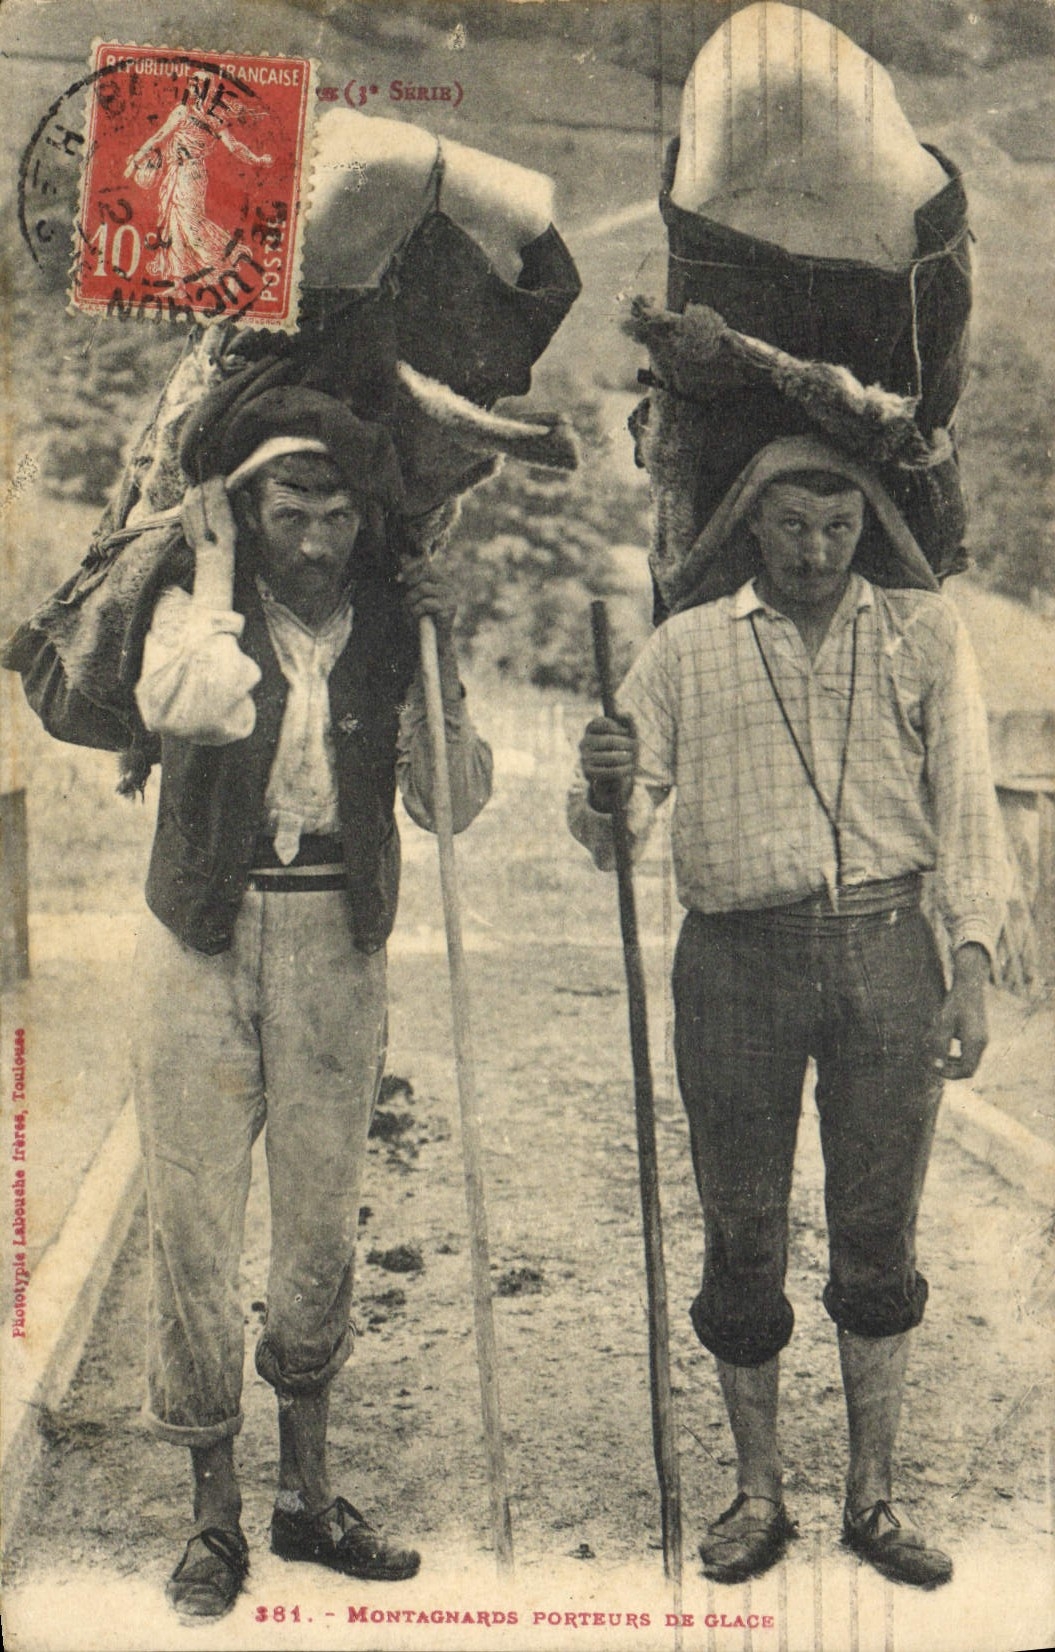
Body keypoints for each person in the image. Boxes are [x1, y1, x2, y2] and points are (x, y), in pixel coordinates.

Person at [569, 436, 1006, 1589]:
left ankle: (871, 1495)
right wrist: (600, 780)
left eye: (839, 527)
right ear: (747, 525)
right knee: (741, 1225)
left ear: (867, 525)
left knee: (875, 1229)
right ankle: (756, 1492)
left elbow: (965, 807)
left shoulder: (921, 635)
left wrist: (967, 965)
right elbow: (618, 831)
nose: (815, 551)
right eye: (791, 526)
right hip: (733, 961)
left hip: (884, 954)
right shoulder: (682, 649)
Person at [128, 386, 492, 1619]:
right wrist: (220, 573)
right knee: (189, 1214)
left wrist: (449, 669)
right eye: (290, 506)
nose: (318, 534)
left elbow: (452, 800)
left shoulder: (395, 622)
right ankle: (212, 1514)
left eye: (338, 510)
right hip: (201, 936)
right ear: (246, 508)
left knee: (321, 1221)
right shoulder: (195, 610)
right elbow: (190, 704)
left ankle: (309, 1491)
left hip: (338, 930)